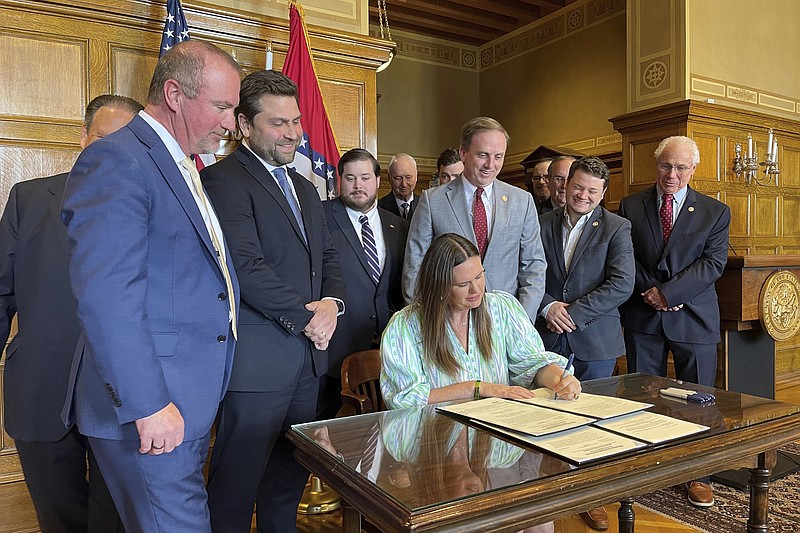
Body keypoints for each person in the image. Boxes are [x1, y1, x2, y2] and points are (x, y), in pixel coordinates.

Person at [60, 40, 241, 533]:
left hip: (181, 403)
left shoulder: (179, 163)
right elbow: (107, 296)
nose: (231, 124)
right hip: (152, 411)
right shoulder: (119, 160)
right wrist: (148, 405)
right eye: (222, 107)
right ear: (175, 93)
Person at [201, 69, 346, 532]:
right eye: (277, 123)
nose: (293, 134)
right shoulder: (224, 181)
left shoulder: (305, 187)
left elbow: (328, 257)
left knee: (286, 487)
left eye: (296, 121)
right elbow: (245, 267)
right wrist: (309, 319)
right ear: (244, 124)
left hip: (308, 366)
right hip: (255, 369)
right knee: (233, 494)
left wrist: (333, 304)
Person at [0, 94, 140, 533]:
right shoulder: (29, 199)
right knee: (57, 520)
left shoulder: (155, 209)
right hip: (42, 390)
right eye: (102, 138)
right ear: (82, 137)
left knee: (115, 521)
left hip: (124, 401)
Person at [617, 135, 730, 508]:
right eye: (666, 165)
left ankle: (697, 473)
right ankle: (645, 466)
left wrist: (671, 294)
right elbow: (625, 257)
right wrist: (653, 293)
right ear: (655, 164)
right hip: (642, 314)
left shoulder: (715, 211)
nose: (673, 174)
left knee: (699, 399)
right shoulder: (630, 205)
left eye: (681, 167)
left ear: (693, 170)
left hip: (694, 316)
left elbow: (712, 264)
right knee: (641, 396)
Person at [535, 156, 634, 531]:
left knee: (591, 420)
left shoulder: (616, 227)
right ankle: (546, 492)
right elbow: (527, 270)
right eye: (578, 187)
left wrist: (573, 312)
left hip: (594, 338)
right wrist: (547, 307)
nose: (584, 195)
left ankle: (592, 497)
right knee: (545, 415)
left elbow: (622, 283)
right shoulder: (541, 222)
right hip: (546, 333)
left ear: (603, 193)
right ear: (566, 185)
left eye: (593, 191)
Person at [383, 232, 578, 409]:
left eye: (479, 276)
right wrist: (476, 388)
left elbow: (530, 364)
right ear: (439, 286)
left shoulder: (501, 308)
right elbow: (403, 398)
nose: (476, 290)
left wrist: (558, 379)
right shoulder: (406, 326)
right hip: (437, 435)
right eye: (463, 284)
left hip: (497, 430)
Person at [403, 117, 547, 321]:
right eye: (483, 155)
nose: (491, 164)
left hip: (505, 321)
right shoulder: (432, 200)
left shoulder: (522, 201)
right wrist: (422, 319)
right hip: (447, 319)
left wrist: (522, 321)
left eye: (499, 156)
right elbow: (415, 265)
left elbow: (534, 265)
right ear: (463, 153)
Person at [319, 148, 408, 419]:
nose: (358, 185)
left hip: (386, 347)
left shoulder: (400, 226)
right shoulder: (319, 218)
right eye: (350, 178)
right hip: (334, 350)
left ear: (379, 181)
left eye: (365, 178)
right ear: (339, 180)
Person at [378, 153, 419, 220]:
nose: (404, 184)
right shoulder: (379, 208)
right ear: (389, 178)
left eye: (408, 177)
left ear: (416, 176)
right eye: (398, 178)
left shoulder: (425, 205)